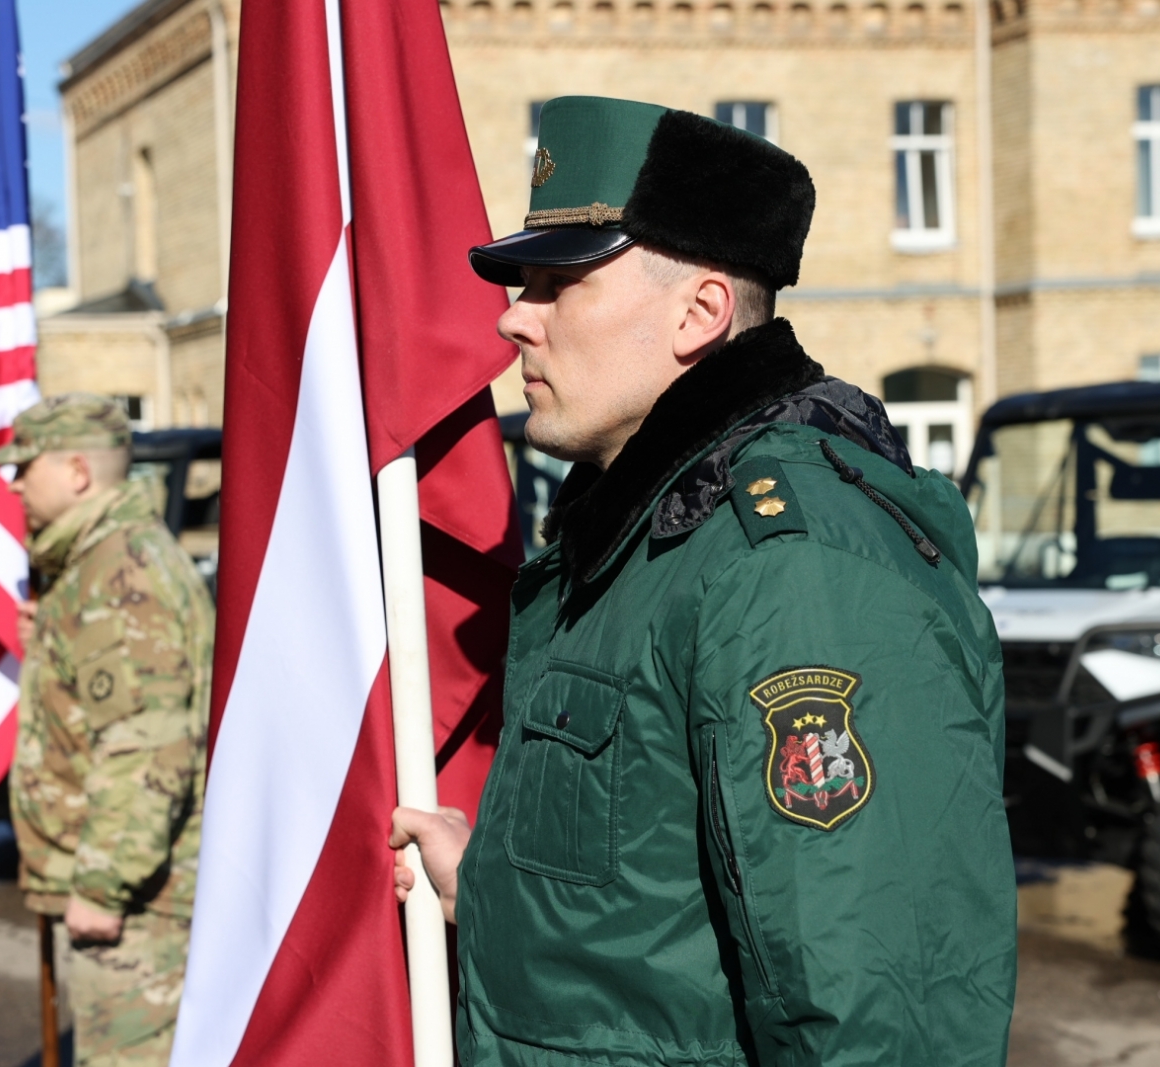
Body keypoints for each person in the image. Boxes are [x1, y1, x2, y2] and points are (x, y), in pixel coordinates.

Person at [390, 97, 1017, 1066]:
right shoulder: (641, 531)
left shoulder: (791, 567)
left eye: (558, 285)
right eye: (522, 284)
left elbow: (875, 1008)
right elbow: (658, 914)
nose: (514, 319)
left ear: (699, 312)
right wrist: (495, 889)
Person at [0, 394, 214, 1067]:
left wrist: (102, 882)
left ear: (79, 472)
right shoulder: (93, 564)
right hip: (135, 892)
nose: (15, 482)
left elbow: (148, 746)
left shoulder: (121, 572)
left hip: (143, 904)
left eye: (26, 466)